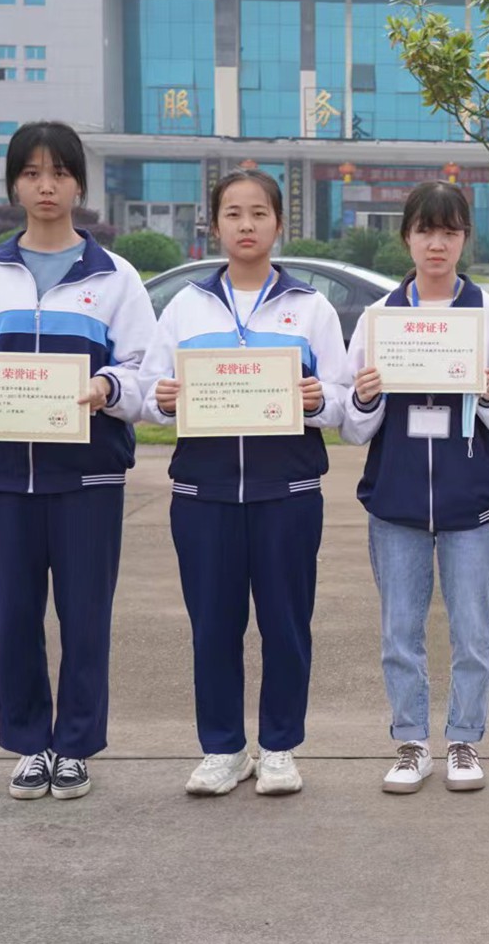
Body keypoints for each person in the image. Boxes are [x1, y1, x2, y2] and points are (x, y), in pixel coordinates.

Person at [0, 121, 155, 800]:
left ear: (79, 184)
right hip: (2, 476)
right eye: (31, 173)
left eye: (58, 172)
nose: (46, 185)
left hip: (88, 475)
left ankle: (77, 746)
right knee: (14, 614)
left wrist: (108, 387)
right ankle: (31, 744)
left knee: (86, 617)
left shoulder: (115, 278)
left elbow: (145, 371)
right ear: (14, 185)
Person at [139, 169, 350, 797]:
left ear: (279, 223)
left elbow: (343, 400)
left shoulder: (310, 307)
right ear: (215, 226)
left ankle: (280, 747)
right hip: (203, 494)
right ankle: (223, 749)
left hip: (288, 492)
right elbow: (148, 392)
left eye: (259, 213)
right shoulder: (186, 306)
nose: (247, 224)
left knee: (287, 623)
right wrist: (163, 400)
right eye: (233, 213)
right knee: (213, 626)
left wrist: (317, 399)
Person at [341, 182, 489, 794]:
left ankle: (464, 740)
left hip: (471, 501)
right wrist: (365, 396)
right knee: (400, 632)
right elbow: (352, 424)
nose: (437, 244)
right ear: (407, 237)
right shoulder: (379, 318)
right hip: (395, 501)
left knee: (472, 631)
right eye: (426, 231)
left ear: (464, 238)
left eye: (449, 232)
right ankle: (411, 742)